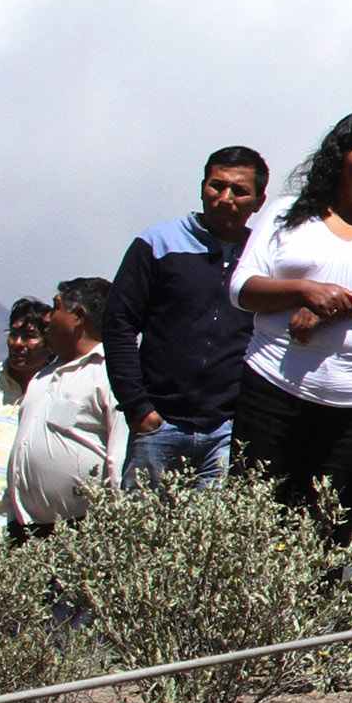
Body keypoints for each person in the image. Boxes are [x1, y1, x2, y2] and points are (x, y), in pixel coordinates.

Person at [228, 113, 352, 525]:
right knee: (253, 518)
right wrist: (302, 291)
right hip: (272, 390)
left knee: (327, 527)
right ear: (339, 159)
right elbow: (242, 288)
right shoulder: (287, 214)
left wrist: (334, 305)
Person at [106, 146, 266, 488]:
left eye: (239, 191)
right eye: (216, 186)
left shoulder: (265, 255)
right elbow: (118, 323)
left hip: (227, 433)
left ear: (259, 201)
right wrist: (138, 408)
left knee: (218, 540)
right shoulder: (157, 243)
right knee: (139, 539)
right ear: (202, 187)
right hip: (157, 425)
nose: (225, 198)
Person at [6, 280, 125, 541]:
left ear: (78, 317)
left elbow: (120, 456)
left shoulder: (111, 373)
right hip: (24, 531)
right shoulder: (42, 376)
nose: (47, 317)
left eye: (56, 307)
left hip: (79, 535)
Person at [0, 296, 45, 487]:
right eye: (13, 334)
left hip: (23, 512)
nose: (17, 343)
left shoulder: (55, 390)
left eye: (28, 336)